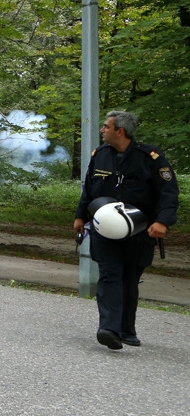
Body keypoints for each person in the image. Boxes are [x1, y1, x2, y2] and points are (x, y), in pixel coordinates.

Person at [73, 111, 179, 350]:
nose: (102, 130)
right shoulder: (100, 155)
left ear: (119, 131)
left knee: (129, 278)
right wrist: (80, 216)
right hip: (104, 229)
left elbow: (169, 192)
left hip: (139, 230)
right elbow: (89, 189)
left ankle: (127, 330)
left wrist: (163, 221)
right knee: (110, 274)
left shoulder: (151, 157)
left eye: (106, 127)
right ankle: (109, 329)